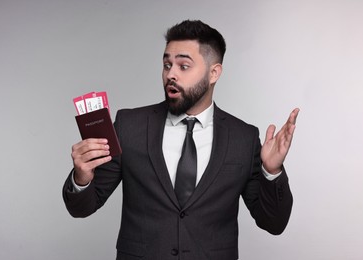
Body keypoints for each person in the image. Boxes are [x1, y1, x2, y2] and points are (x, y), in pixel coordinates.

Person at [63, 20, 299, 260]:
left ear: (214, 72)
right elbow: (82, 208)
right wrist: (81, 177)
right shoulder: (129, 126)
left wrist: (272, 170)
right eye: (167, 65)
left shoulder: (243, 138)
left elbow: (273, 223)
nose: (171, 74)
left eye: (183, 66)